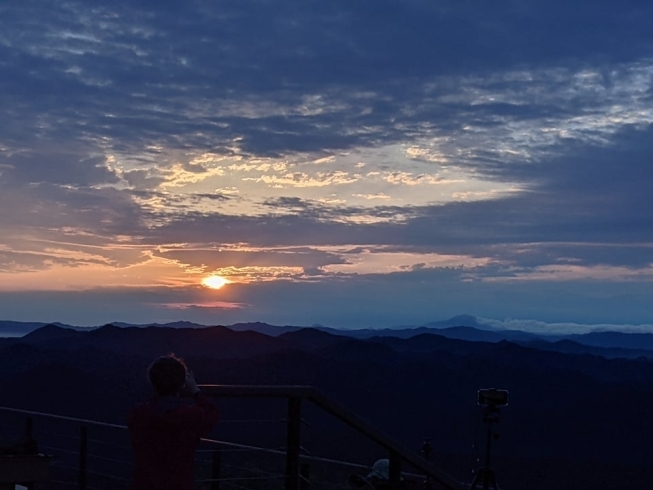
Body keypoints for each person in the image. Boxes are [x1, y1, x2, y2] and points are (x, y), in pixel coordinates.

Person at [129, 354, 219, 490]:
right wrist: (195, 391)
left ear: (152, 381)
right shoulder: (190, 416)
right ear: (182, 384)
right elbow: (212, 414)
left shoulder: (138, 414)